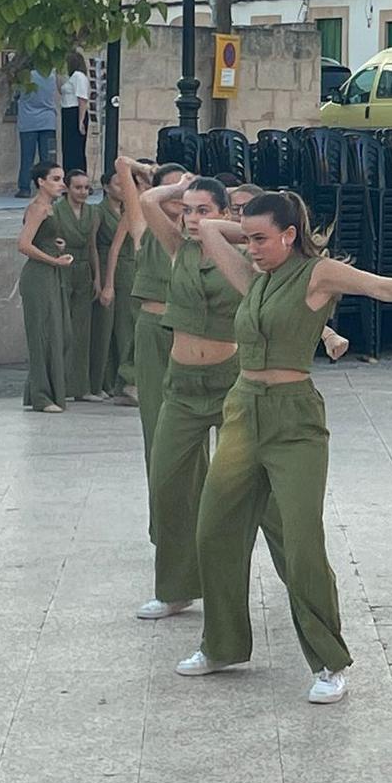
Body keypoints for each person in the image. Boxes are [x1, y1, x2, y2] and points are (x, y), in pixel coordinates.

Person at [176, 190, 392, 703]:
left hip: (294, 418)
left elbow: (378, 287)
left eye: (262, 238)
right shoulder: (253, 277)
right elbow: (212, 231)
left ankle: (329, 661)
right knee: (214, 528)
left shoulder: (318, 274)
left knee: (303, 541)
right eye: (249, 237)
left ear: (289, 235)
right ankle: (222, 645)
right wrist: (249, 231)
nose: (252, 247)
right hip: (242, 409)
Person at [135, 173, 238, 621]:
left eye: (204, 211)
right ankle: (176, 587)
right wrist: (183, 188)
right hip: (181, 384)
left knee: (245, 491)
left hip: (229, 382)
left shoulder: (242, 256)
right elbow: (147, 199)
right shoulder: (179, 249)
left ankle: (291, 581)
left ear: (224, 215)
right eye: (189, 211)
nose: (193, 219)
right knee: (168, 483)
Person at [117, 157, 183, 554]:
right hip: (152, 334)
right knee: (156, 436)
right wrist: (148, 173)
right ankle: (164, 530)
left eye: (184, 189)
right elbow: (121, 166)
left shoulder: (196, 236)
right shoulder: (145, 229)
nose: (178, 197)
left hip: (190, 336)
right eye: (171, 190)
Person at [231, 181, 351, 362]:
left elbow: (289, 311)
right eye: (236, 208)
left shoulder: (274, 265)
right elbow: (208, 227)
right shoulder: (228, 251)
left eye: (247, 207)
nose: (241, 213)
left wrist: (327, 334)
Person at [16, 160, 73, 413]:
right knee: (42, 334)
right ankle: (42, 395)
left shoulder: (51, 209)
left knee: (60, 333)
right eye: (56, 179)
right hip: (39, 276)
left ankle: (44, 389)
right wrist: (54, 260)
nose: (61, 184)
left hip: (52, 274)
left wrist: (56, 245)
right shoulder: (38, 208)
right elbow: (24, 244)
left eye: (61, 179)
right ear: (41, 182)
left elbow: (43, 238)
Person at [49, 168, 104, 403]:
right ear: (67, 189)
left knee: (82, 331)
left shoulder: (92, 213)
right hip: (62, 267)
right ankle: (58, 386)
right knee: (62, 329)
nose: (83, 192)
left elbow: (92, 246)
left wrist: (97, 278)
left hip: (83, 269)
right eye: (78, 187)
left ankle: (81, 386)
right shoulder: (56, 210)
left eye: (86, 188)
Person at [95, 166, 139, 405]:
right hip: (119, 271)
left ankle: (123, 382)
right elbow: (111, 248)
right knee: (122, 329)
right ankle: (122, 381)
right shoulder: (114, 214)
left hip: (134, 270)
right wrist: (107, 283)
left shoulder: (130, 210)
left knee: (129, 327)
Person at [15, 71, 58, 199]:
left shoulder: (25, 76)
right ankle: (50, 187)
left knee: (27, 157)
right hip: (48, 121)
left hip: (28, 121)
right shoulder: (51, 74)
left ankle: (24, 188)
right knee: (48, 159)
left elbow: (16, 93)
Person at [58, 52, 90, 175]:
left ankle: (78, 174)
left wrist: (80, 120)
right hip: (67, 111)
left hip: (75, 112)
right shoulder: (71, 78)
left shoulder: (79, 76)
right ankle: (69, 175)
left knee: (75, 148)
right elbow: (61, 90)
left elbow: (82, 99)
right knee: (68, 147)